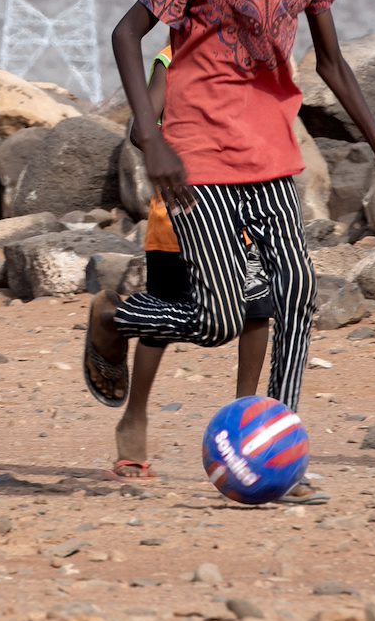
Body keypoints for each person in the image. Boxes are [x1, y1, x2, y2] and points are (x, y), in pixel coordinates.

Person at [84, 0, 375, 437]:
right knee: (218, 319)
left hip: (271, 155)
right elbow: (127, 33)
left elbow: (333, 63)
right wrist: (151, 138)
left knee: (296, 292)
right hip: (198, 159)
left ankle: (275, 435)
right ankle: (113, 318)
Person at [92, 43, 276, 482]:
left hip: (243, 210)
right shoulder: (172, 58)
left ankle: (242, 421)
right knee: (163, 319)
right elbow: (140, 131)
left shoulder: (255, 53)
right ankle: (133, 415)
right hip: (181, 216)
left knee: (256, 312)